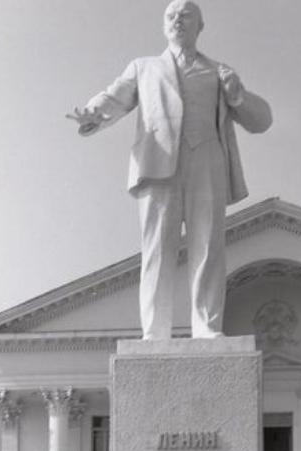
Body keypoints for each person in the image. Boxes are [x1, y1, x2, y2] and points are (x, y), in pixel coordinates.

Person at [68, 0, 272, 340]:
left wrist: (238, 96)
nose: (178, 20)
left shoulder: (219, 71)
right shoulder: (144, 67)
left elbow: (262, 121)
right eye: (171, 16)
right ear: (164, 25)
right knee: (157, 250)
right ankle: (155, 331)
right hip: (158, 164)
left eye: (186, 15)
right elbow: (114, 97)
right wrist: (92, 113)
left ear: (200, 26)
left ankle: (206, 327)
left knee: (208, 247)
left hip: (207, 161)